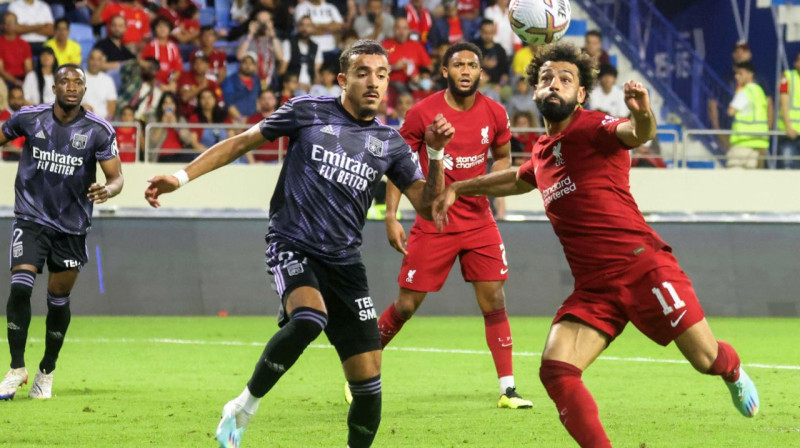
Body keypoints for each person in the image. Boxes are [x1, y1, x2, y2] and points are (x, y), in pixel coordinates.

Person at [432, 43, 760, 448]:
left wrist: (641, 112)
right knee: (555, 370)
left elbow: (636, 133)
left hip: (644, 267)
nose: (555, 85)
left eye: (566, 80)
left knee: (706, 359)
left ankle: (733, 371)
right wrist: (460, 187)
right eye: (546, 79)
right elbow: (518, 178)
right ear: (535, 91)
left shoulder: (592, 127)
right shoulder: (542, 151)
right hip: (594, 288)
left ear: (581, 94)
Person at [144, 39, 452, 448]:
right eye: (363, 74)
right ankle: (243, 407)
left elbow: (429, 209)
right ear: (343, 79)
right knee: (308, 319)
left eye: (381, 75)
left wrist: (435, 153)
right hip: (293, 243)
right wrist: (180, 178)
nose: (373, 83)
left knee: (369, 387)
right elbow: (240, 142)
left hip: (345, 262)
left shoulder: (390, 143)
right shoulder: (307, 111)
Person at [365, 42, 533, 409]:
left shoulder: (496, 113)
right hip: (433, 221)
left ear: (481, 73)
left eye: (473, 65)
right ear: (445, 71)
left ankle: (508, 388)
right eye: (459, 65)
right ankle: (360, 372)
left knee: (494, 299)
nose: (466, 70)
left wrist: (485, 185)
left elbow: (504, 157)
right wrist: (392, 216)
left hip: (479, 221)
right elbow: (397, 164)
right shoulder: (423, 113)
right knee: (407, 305)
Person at [0, 63, 124, 401]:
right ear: (53, 88)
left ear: (85, 89)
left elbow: (117, 177)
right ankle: (15, 368)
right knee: (21, 286)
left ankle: (47, 369)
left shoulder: (99, 130)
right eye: (65, 81)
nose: (71, 86)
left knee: (57, 300)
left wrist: (108, 190)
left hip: (71, 227)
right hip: (31, 218)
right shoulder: (30, 118)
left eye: (78, 82)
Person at [727, 61, 768, 169]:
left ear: (750, 74)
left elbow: (731, 111)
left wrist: (738, 91)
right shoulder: (759, 91)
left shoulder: (744, 92)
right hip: (761, 144)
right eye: (736, 74)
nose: (736, 77)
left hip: (743, 144)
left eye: (740, 73)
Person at [281, 15, 322, 93]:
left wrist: (312, 86)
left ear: (312, 28)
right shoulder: (289, 43)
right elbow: (283, 69)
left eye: (308, 26)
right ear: (297, 27)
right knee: (301, 94)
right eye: (302, 25)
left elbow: (316, 71)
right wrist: (296, 84)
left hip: (310, 86)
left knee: (323, 94)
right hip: (294, 86)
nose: (305, 29)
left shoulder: (316, 47)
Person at [222, 51, 262, 123]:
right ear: (240, 64)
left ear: (255, 66)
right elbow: (228, 103)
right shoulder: (230, 80)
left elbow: (259, 100)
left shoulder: (257, 80)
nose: (248, 66)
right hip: (235, 119)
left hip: (253, 120)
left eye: (251, 63)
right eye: (245, 62)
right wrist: (240, 119)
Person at [778, 50, 800, 169]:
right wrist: (788, 127)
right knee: (789, 167)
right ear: (795, 63)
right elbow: (784, 103)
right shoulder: (787, 76)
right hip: (790, 135)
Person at [82, 49, 118, 120]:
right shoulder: (79, 77)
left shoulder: (108, 80)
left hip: (101, 122)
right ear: (88, 60)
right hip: (82, 120)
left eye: (98, 60)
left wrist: (105, 125)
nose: (95, 63)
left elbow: (111, 107)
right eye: (93, 59)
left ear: (102, 62)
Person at [0, 12, 33, 87]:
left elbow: (28, 68)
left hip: (22, 78)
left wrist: (27, 82)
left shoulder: (24, 44)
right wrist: (16, 82)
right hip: (4, 79)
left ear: (17, 25)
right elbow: (0, 70)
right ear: (2, 25)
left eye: (11, 22)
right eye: (6, 23)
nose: (9, 25)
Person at [0, 85, 25, 160]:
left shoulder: (26, 115)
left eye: (20, 98)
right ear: (8, 99)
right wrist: (22, 153)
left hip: (23, 155)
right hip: (8, 156)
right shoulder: (3, 116)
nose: (16, 102)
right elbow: (5, 142)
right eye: (14, 98)